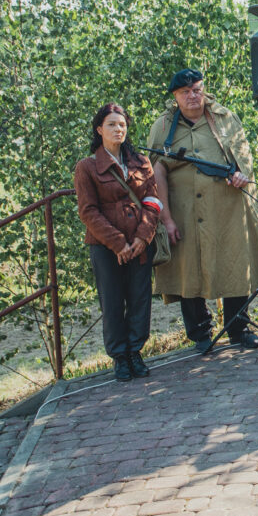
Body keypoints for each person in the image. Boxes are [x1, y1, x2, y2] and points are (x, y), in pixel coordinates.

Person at [147, 69, 258, 352]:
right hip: (183, 210)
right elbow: (157, 172)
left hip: (228, 207)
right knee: (188, 269)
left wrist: (242, 173)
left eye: (197, 89)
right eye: (185, 92)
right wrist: (166, 219)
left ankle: (239, 330)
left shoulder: (225, 118)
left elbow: (244, 156)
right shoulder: (163, 125)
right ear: (175, 96)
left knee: (234, 265)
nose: (192, 96)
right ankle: (201, 334)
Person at [74, 104, 160, 381]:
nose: (118, 129)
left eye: (122, 124)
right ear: (99, 130)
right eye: (111, 124)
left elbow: (152, 201)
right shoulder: (86, 168)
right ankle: (120, 358)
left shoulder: (141, 162)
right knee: (112, 302)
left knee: (139, 299)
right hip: (105, 247)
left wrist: (142, 237)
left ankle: (136, 352)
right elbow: (88, 211)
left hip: (140, 244)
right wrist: (118, 243)